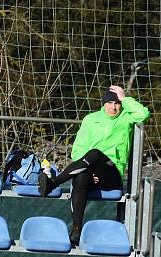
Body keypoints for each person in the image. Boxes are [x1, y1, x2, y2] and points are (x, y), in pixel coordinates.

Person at [39, 85, 150, 245]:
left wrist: (124, 98)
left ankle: (53, 183)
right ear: (104, 103)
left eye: (117, 103)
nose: (114, 107)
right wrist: (90, 170)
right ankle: (76, 231)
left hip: (112, 173)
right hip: (91, 172)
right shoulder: (90, 119)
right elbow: (77, 151)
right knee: (81, 177)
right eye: (110, 103)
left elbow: (143, 114)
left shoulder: (126, 117)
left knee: (96, 153)